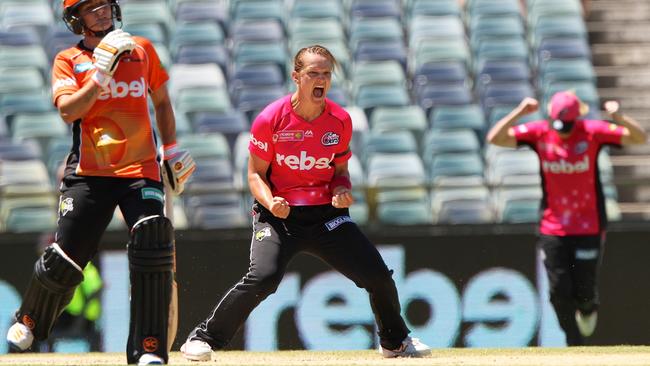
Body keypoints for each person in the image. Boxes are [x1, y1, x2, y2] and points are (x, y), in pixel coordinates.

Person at [179, 45, 431, 361]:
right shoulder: (271, 119)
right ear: (296, 76)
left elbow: (340, 171)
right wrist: (272, 203)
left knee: (378, 276)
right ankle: (202, 339)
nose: (321, 79)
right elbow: (255, 175)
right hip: (279, 217)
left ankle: (395, 343)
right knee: (264, 279)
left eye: (326, 73)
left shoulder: (339, 120)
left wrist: (341, 190)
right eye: (313, 73)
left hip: (327, 217)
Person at [5, 0, 195, 364]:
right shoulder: (67, 60)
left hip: (139, 171)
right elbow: (68, 111)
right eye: (91, 7)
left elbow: (163, 102)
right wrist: (100, 75)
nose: (102, 12)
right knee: (68, 256)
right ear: (76, 19)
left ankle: (148, 350)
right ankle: (29, 318)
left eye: (105, 4)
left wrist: (170, 150)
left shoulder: (142, 49)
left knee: (153, 241)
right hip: (89, 173)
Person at [486, 90, 647, 345]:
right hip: (553, 225)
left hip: (589, 224)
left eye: (568, 126)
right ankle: (574, 343)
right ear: (550, 118)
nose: (563, 132)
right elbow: (495, 138)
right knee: (558, 290)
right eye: (558, 126)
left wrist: (619, 117)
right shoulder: (539, 132)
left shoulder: (594, 131)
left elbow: (639, 138)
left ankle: (588, 306)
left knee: (583, 291)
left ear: (577, 119)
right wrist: (519, 112)